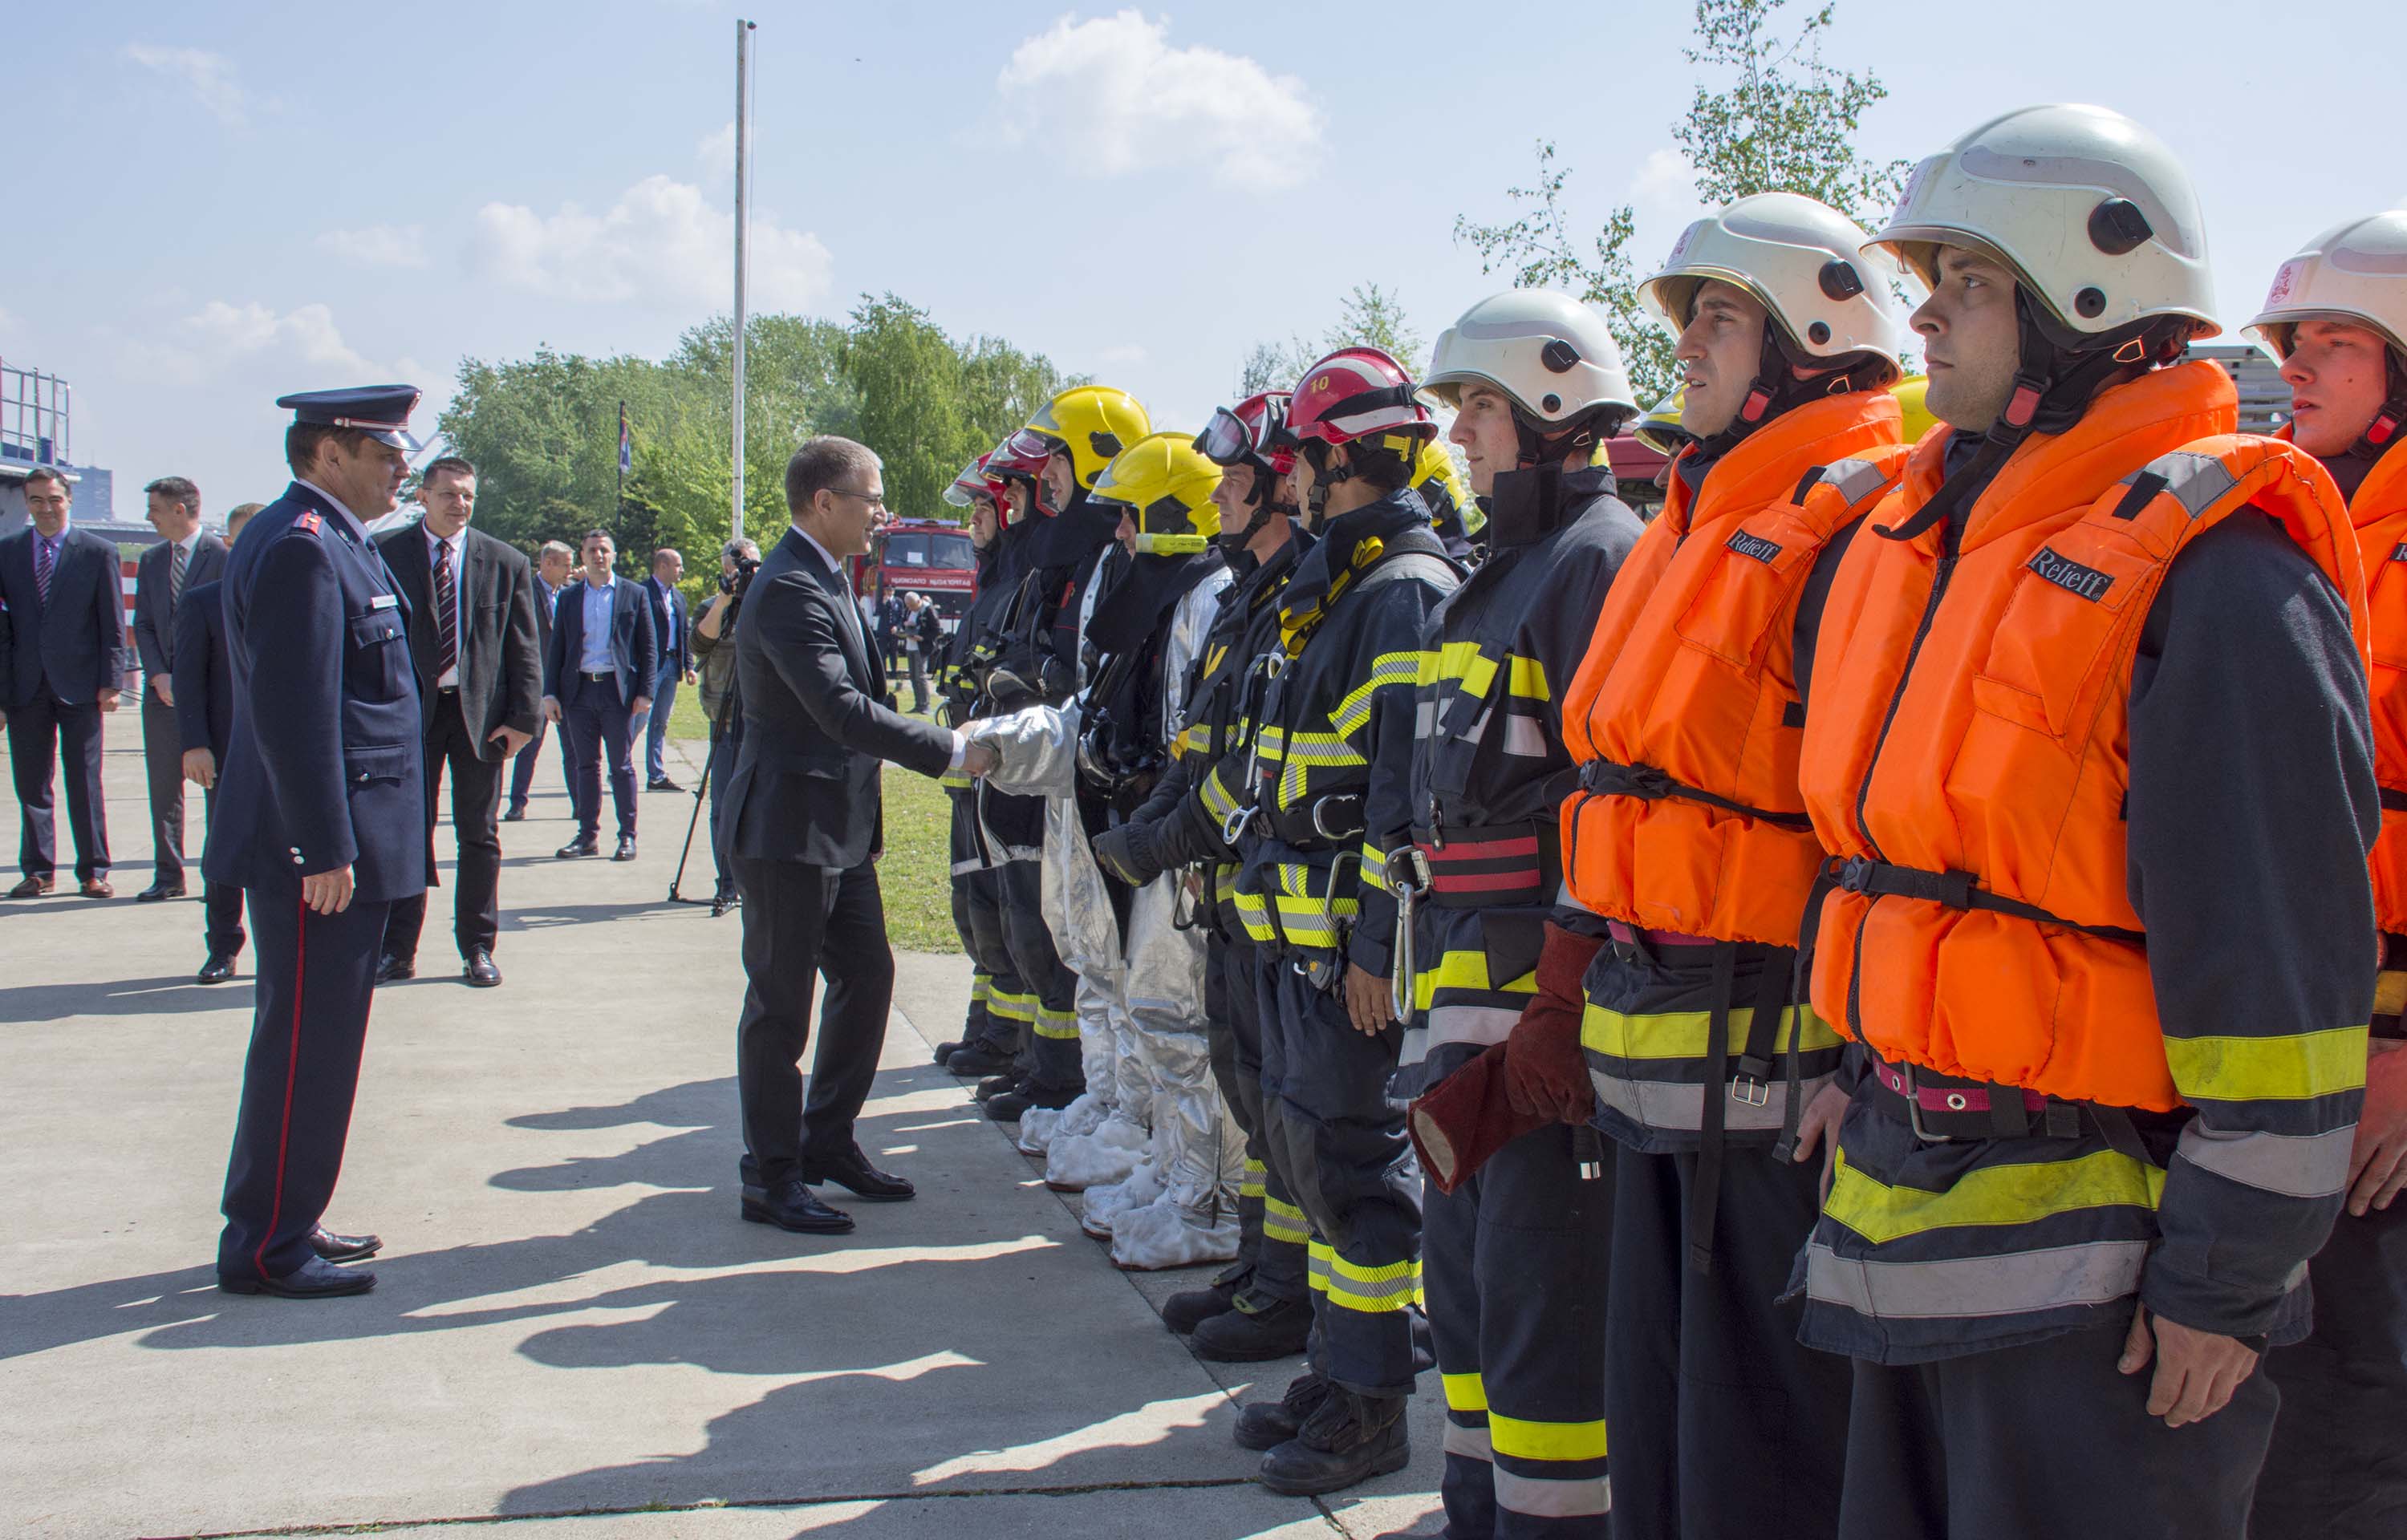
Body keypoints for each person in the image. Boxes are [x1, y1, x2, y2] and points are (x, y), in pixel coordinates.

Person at [1791, 105, 2374, 1540]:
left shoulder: (2224, 580)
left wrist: (2223, 1291)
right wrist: (1856, 1062)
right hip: (1911, 1238)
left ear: (2085, 304)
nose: (1923, 315)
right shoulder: (1956, 549)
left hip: (2106, 1300)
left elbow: (2284, 984)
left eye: (1969, 282)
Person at [1534, 197, 1911, 1540]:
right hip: (1659, 1068)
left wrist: (1862, 1068)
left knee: (1762, 1459)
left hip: (1772, 1088)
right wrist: (1564, 986)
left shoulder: (1858, 528)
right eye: (1689, 317)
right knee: (1664, 1439)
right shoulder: (1700, 516)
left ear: (1809, 342)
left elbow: (1886, 827)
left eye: (1718, 317)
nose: (1686, 344)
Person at [1390, 289, 1650, 1537]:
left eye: (1481, 409)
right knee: (1473, 1293)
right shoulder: (1500, 574)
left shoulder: (1597, 559)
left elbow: (1613, 802)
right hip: (1460, 992)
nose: (1461, 439)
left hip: (1542, 1009)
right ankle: (1474, 1511)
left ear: (1555, 412)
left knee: (1545, 1300)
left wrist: (1566, 995)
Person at [1226, 347, 1461, 1495]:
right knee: (1306, 1153)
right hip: (1292, 936)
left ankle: (1372, 1407)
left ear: (1339, 461)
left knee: (1354, 1170)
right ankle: (1337, 1366)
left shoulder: (1403, 589)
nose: (1290, 482)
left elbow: (1406, 797)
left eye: (1300, 462)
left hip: (1341, 957)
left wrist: (1377, 950)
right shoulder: (1344, 579)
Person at [971, 431, 1240, 1271]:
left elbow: (1195, 736)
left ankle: (1210, 1196)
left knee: (1177, 1014)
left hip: (1181, 840)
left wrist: (1163, 824)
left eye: (1128, 517)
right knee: (1126, 991)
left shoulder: (1206, 595)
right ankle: (1165, 1158)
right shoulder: (1145, 588)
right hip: (1133, 819)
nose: (1116, 534)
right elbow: (1107, 697)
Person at [1087, 392, 1315, 1356]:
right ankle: (1264, 1272)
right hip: (1235, 894)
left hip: (1286, 904)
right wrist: (1149, 825)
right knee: (1257, 1094)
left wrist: (1157, 841)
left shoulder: (1335, 595)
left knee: (1309, 1122)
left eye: (1236, 478)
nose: (1219, 494)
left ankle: (1311, 1311)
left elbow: (1255, 770)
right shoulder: (1246, 598)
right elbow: (1202, 743)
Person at [2245, 209, 2407, 1540]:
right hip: (2311, 1029)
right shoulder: (2309, 527)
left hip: (2388, 1054)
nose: (2298, 366)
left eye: (2336, 343)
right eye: (2292, 341)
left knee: (2368, 1386)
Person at [720, 435, 987, 1237]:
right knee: (779, 1010)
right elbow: (839, 711)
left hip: (836, 833)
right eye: (871, 497)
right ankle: (770, 1177)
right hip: (787, 832)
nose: (883, 511)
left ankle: (824, 1140)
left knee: (868, 978)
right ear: (822, 502)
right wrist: (948, 751)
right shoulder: (787, 588)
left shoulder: (825, 575)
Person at [208, 385, 431, 1299]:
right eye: (386, 454)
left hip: (343, 841)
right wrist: (323, 848)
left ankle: (288, 1215)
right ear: (329, 454)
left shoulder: (332, 539)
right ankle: (266, 1247)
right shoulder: (304, 548)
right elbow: (295, 717)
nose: (402, 470)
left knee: (318, 1044)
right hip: (321, 855)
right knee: (306, 1045)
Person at [964, 386, 1154, 1129]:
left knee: (1106, 956)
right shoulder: (1086, 560)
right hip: (1067, 777)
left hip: (1109, 794)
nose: (1043, 480)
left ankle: (1075, 1088)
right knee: (1063, 936)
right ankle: (1076, 1090)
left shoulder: (1119, 559)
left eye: (1056, 462)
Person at [371, 457, 542, 987]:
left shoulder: (504, 560)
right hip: (406, 719)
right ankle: (397, 951)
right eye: (448, 494)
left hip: (480, 720)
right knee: (405, 836)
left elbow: (525, 646)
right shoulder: (385, 555)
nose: (459, 504)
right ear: (422, 496)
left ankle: (477, 948)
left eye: (467, 495)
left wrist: (522, 718)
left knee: (480, 836)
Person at [929, 457, 1036, 1072]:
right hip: (965, 772)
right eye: (971, 512)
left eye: (987, 511)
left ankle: (1008, 1040)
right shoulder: (988, 584)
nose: (975, 522)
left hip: (997, 772)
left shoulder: (1021, 584)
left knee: (1003, 908)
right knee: (972, 903)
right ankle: (985, 1028)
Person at [0, 464, 125, 898]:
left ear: (68, 499)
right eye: (36, 500)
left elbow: (112, 623)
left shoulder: (97, 551)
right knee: (31, 782)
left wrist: (112, 681)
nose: (46, 508)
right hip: (25, 686)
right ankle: (38, 870)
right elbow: (3, 628)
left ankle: (94, 870)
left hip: (81, 686)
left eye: (54, 499)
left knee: (84, 780)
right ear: (27, 504)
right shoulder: (8, 551)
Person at [174, 500, 261, 983]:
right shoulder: (204, 601)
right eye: (242, 537)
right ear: (228, 544)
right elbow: (189, 680)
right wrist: (195, 744)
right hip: (226, 751)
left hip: (287, 752)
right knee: (225, 850)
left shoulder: (300, 594)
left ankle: (286, 946)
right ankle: (223, 946)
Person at [131, 474, 227, 902]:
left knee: (216, 789)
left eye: (154, 509)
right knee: (163, 789)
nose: (148, 518)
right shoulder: (153, 561)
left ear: (179, 510)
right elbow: (145, 624)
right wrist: (158, 674)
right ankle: (169, 874)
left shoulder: (222, 556)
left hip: (209, 697)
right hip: (163, 696)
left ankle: (218, 877)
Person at [542, 529, 657, 861]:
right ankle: (587, 835)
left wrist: (646, 693)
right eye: (592, 550)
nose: (598, 556)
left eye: (604, 550)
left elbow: (649, 648)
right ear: (582, 555)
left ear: (614, 555)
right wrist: (550, 693)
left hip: (618, 692)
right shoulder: (569, 597)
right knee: (585, 765)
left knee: (621, 766)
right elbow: (557, 649)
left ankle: (627, 836)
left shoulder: (633, 594)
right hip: (578, 691)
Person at [687, 537, 761, 916]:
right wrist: (724, 599)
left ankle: (755, 882)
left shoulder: (769, 602)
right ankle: (727, 883)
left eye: (752, 565)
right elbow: (699, 645)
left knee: (761, 804)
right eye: (739, 565)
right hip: (727, 717)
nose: (745, 572)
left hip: (764, 719)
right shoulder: (713, 605)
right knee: (723, 807)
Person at [504, 541, 578, 821]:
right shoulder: (524, 591)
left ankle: (580, 804)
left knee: (573, 749)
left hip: (567, 684)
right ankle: (518, 802)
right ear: (548, 563)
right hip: (536, 684)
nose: (570, 571)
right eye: (565, 565)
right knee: (529, 745)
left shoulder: (571, 593)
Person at [643, 547, 695, 792]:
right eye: (677, 565)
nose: (681, 570)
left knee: (660, 722)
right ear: (662, 566)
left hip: (672, 665)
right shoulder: (642, 593)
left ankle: (656, 775)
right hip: (650, 666)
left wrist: (689, 666)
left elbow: (685, 633)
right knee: (639, 719)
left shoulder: (679, 597)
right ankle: (619, 767)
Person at [901, 590, 940, 714]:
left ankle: (925, 705)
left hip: (921, 647)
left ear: (919, 601)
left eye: (912, 606)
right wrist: (905, 626)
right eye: (908, 606)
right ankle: (918, 704)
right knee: (913, 677)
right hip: (910, 646)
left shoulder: (929, 610)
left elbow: (937, 630)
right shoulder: (909, 610)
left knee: (920, 676)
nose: (911, 608)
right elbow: (904, 622)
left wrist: (922, 637)